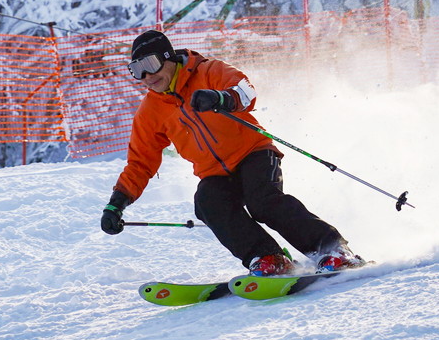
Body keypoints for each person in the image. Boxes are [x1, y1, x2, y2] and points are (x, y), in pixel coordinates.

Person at [99, 29, 361, 275]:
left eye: (150, 65)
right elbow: (140, 162)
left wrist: (221, 98)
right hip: (214, 173)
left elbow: (246, 91)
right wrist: (117, 203)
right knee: (208, 202)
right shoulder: (150, 112)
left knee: (263, 201)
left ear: (168, 58)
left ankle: (332, 249)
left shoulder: (208, 71)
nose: (146, 77)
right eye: (136, 70)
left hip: (253, 152)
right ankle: (269, 258)